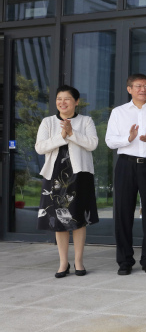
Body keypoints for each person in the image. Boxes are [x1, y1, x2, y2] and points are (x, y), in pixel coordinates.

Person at [35, 85, 99, 277]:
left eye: (67, 99)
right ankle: (63, 263)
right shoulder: (47, 122)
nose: (62, 102)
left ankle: (79, 261)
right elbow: (40, 147)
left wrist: (72, 133)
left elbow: (92, 144)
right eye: (59, 99)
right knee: (58, 220)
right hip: (55, 176)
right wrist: (62, 136)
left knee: (79, 219)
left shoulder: (86, 121)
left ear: (76, 102)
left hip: (80, 176)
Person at [105, 74, 146, 275]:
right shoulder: (119, 112)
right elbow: (110, 141)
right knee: (123, 214)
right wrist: (128, 138)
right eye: (138, 86)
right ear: (129, 89)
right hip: (126, 165)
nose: (143, 89)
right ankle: (125, 261)